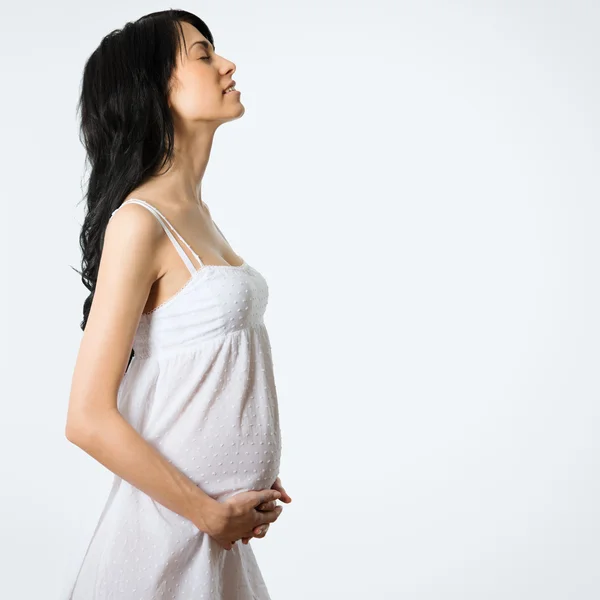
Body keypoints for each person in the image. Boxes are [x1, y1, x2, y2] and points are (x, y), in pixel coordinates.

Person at [65, 9, 291, 599]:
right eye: (203, 54)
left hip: (216, 542)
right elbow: (87, 418)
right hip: (164, 546)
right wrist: (209, 512)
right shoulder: (140, 222)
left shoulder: (201, 218)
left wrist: (246, 479)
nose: (227, 63)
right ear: (153, 88)